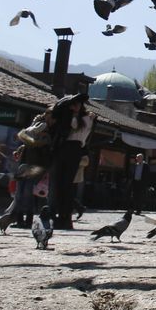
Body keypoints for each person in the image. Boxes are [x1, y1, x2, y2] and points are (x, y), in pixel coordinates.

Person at [49, 93, 95, 230]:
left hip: (74, 149)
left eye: (78, 105)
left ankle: (66, 217)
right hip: (64, 147)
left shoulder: (87, 118)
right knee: (59, 184)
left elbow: (76, 128)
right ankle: (59, 216)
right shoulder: (67, 118)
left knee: (67, 184)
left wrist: (75, 115)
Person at [13, 108, 56, 228]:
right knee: (19, 193)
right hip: (25, 162)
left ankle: (28, 220)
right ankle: (19, 219)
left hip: (35, 164)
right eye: (47, 115)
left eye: (51, 116)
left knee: (27, 192)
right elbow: (26, 138)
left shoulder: (48, 134)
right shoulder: (38, 125)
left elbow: (26, 137)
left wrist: (27, 137)